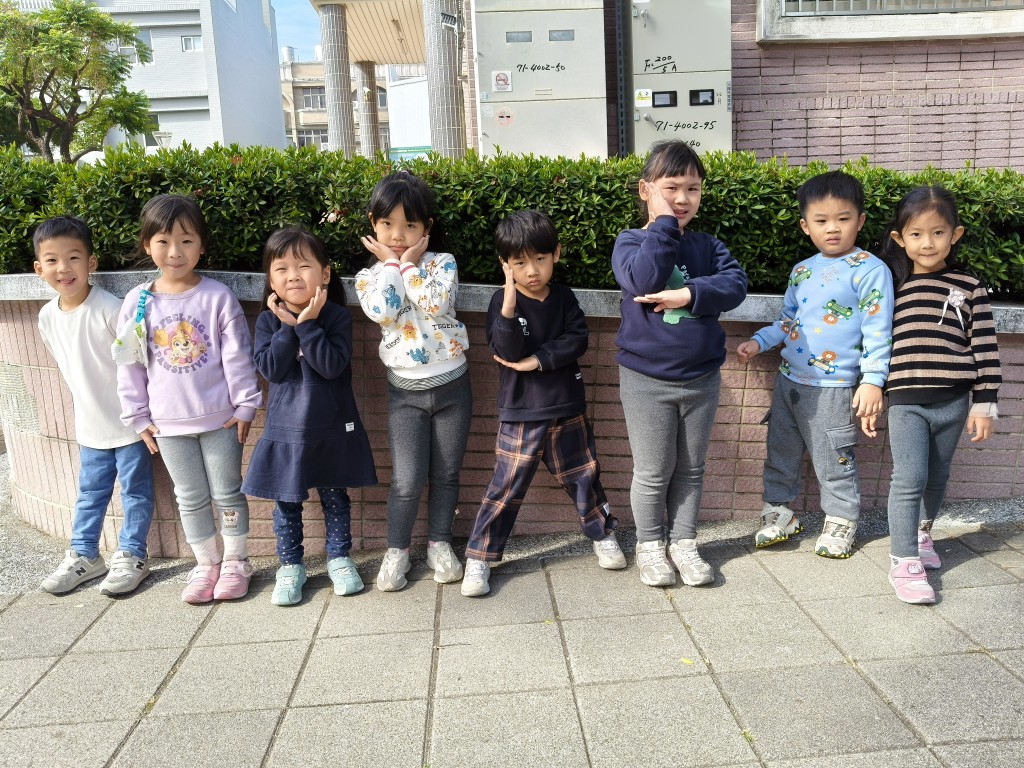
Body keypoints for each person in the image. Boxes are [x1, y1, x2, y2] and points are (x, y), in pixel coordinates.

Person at [461, 210, 624, 597]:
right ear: (505, 265)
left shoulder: (564, 297)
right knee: (505, 487)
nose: (532, 270)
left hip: (567, 405)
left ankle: (603, 535)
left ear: (556, 254)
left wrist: (537, 360)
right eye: (519, 263)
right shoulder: (500, 302)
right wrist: (508, 307)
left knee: (584, 476)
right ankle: (479, 558)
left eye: (540, 259)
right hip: (521, 411)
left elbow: (577, 339)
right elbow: (505, 350)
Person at [612, 140, 748, 588]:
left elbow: (735, 284)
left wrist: (689, 294)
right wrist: (664, 223)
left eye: (693, 188)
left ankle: (684, 543)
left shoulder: (708, 245)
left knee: (691, 469)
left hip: (702, 377)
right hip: (646, 380)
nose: (684, 198)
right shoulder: (631, 242)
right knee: (653, 471)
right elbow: (643, 278)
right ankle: (650, 545)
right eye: (671, 188)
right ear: (645, 190)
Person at [737, 171, 893, 559]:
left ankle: (841, 520)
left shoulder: (870, 269)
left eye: (843, 218)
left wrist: (873, 380)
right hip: (788, 382)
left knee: (833, 457)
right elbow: (788, 320)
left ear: (860, 221)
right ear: (806, 226)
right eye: (822, 220)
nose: (833, 228)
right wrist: (759, 342)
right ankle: (779, 512)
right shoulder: (802, 270)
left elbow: (878, 329)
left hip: (835, 387)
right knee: (781, 451)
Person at [115, 194, 262, 604]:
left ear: (201, 245)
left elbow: (237, 355)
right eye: (163, 241)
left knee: (227, 492)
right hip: (167, 425)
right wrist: (137, 417)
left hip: (221, 421)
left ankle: (236, 561)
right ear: (147, 245)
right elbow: (129, 364)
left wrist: (246, 405)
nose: (175, 251)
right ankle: (207, 563)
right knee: (190, 497)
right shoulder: (138, 302)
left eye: (186, 240)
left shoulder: (217, 297)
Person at [242, 228, 377, 606]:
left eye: (303, 266)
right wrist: (287, 326)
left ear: (325, 274)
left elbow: (331, 366)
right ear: (271, 281)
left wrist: (307, 324)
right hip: (287, 430)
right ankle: (290, 566)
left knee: (336, 496)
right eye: (281, 269)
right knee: (286, 503)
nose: (293, 276)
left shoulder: (336, 317)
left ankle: (339, 559)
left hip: (333, 427)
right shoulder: (268, 321)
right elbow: (271, 369)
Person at [879, 186, 1001, 603]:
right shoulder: (891, 286)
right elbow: (873, 342)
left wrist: (985, 403)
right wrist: (871, 387)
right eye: (916, 234)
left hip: (954, 401)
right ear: (900, 238)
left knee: (937, 476)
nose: (927, 243)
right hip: (906, 401)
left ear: (955, 234)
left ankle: (921, 534)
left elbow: (985, 346)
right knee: (909, 477)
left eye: (938, 232)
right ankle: (903, 560)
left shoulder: (969, 286)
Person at [355, 171, 472, 592]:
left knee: (446, 474)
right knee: (406, 480)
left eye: (410, 225)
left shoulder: (441, 264)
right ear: (374, 224)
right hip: (404, 396)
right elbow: (383, 311)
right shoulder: (369, 276)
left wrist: (407, 265)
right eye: (387, 224)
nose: (398, 234)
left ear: (427, 227)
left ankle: (440, 543)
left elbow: (435, 303)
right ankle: (397, 550)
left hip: (453, 387)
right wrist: (391, 265)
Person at [33, 216, 155, 596]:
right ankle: (84, 555)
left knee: (136, 492)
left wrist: (144, 415)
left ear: (91, 263)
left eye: (73, 257)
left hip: (130, 426)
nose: (63, 268)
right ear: (39, 269)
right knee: (89, 494)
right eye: (52, 260)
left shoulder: (110, 309)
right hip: (90, 427)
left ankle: (132, 555)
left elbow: (138, 360)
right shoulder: (46, 317)